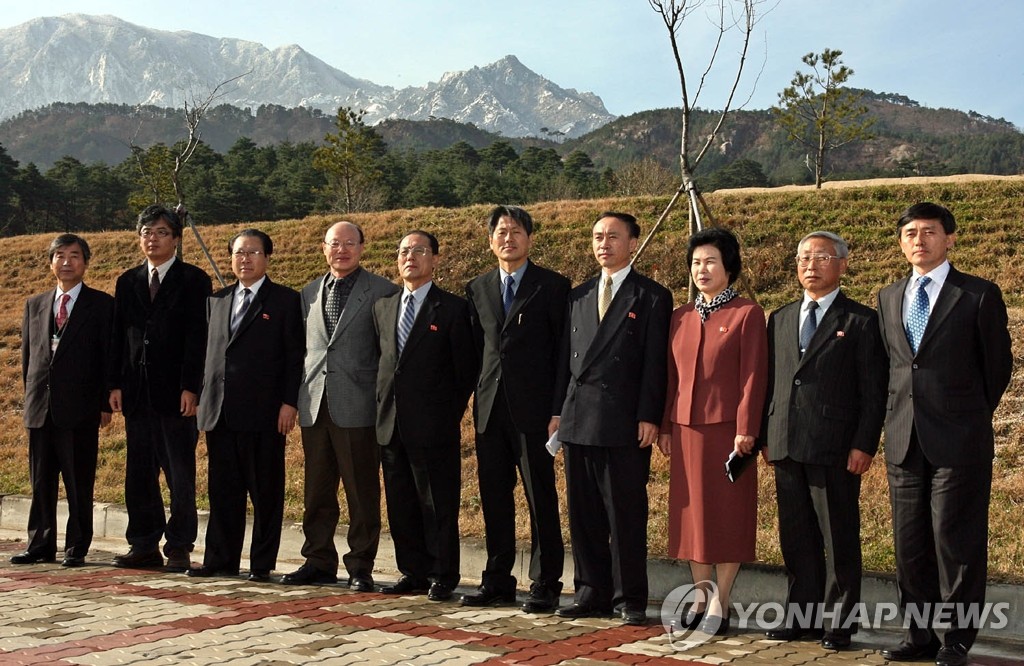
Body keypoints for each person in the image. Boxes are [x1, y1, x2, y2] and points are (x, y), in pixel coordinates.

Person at [877, 203, 1012, 666]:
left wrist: (965, 415)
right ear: (901, 242)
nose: (919, 240)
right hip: (903, 439)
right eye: (910, 233)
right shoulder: (888, 296)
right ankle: (920, 635)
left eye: (929, 232)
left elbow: (998, 369)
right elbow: (892, 368)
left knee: (955, 542)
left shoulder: (976, 294)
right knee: (909, 543)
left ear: (949, 238)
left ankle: (956, 638)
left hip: (959, 440)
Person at [761, 231, 887, 650]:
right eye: (802, 257)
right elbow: (773, 384)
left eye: (820, 257)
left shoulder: (862, 321)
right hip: (785, 443)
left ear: (842, 264)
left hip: (835, 447)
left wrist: (864, 444)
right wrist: (765, 435)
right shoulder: (779, 317)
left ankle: (839, 623)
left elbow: (873, 391)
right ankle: (802, 616)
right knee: (796, 538)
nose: (810, 265)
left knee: (839, 538)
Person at [553, 211, 672, 626]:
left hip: (624, 420)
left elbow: (655, 365)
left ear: (634, 242)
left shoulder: (652, 296)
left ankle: (629, 597)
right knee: (583, 513)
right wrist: (558, 412)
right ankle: (590, 591)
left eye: (613, 236)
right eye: (598, 236)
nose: (604, 243)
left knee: (625, 513)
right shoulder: (579, 295)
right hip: (579, 418)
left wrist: (649, 416)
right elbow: (564, 365)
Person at [657, 227, 768, 636]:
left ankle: (721, 598)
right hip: (685, 430)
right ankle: (700, 594)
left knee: (727, 514)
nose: (701, 269)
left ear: (729, 267)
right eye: (696, 263)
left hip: (728, 433)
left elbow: (753, 377)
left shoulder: (747, 314)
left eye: (710, 262)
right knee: (692, 518)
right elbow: (671, 377)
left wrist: (746, 431)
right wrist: (667, 424)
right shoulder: (680, 317)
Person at [462, 206, 569, 612]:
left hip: (535, 412)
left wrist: (558, 407)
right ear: (490, 241)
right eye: (502, 232)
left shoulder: (553, 286)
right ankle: (497, 579)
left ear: (530, 238)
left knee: (540, 497)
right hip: (490, 410)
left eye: (517, 231)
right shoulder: (477, 288)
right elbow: (476, 353)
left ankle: (546, 581)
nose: (509, 238)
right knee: (494, 498)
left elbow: (562, 355)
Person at [282, 221, 399, 589]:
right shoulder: (309, 292)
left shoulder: (383, 291)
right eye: (335, 244)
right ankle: (318, 560)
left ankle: (360, 565)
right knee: (316, 490)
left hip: (359, 406)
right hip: (316, 404)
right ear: (324, 248)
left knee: (361, 491)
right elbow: (306, 350)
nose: (342, 250)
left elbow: (388, 355)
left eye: (350, 243)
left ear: (362, 248)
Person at [189, 229, 303, 582]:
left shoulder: (284, 300)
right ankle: (219, 559)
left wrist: (289, 403)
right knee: (223, 492)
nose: (245, 259)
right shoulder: (217, 300)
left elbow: (294, 356)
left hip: (265, 414)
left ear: (267, 258)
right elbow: (207, 356)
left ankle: (261, 563)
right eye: (239, 253)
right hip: (221, 412)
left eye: (253, 252)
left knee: (266, 492)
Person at [373, 230, 477, 601]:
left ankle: (441, 574)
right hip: (391, 423)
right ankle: (412, 571)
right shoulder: (383, 307)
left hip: (434, 425)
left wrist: (446, 415)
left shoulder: (451, 308)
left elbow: (464, 372)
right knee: (400, 502)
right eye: (403, 251)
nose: (410, 257)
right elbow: (384, 365)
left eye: (419, 251)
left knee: (437, 503)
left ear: (434, 259)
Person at [108, 204, 212, 571]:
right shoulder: (128, 281)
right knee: (138, 474)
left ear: (177, 238)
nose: (153, 239)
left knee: (179, 473)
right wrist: (115, 384)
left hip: (176, 396)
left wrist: (191, 387)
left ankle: (180, 545)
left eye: (162, 232)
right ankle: (143, 544)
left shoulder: (194, 280)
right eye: (147, 232)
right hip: (136, 393)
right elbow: (119, 337)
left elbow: (197, 338)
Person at [14, 234, 114, 568]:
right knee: (41, 481)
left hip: (80, 409)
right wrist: (31, 398)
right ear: (51, 262)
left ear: (85, 262)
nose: (66, 262)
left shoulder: (101, 305)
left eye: (74, 256)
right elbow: (30, 359)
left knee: (78, 481)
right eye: (60, 255)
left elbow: (107, 358)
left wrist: (103, 403)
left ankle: (76, 546)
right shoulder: (35, 304)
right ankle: (39, 544)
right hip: (40, 408)